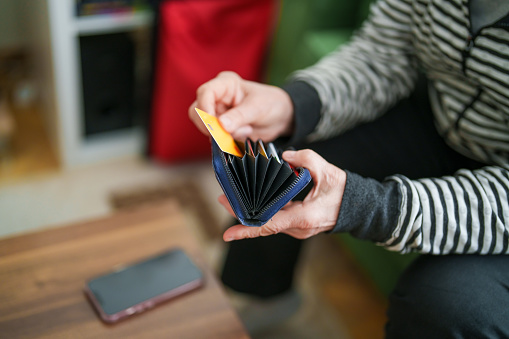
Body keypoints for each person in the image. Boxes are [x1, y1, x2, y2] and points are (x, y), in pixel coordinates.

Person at [189, 0, 509, 337]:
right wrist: (292, 105)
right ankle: (264, 296)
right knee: (278, 166)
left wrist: (365, 205)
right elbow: (384, 51)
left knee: (448, 307)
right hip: (442, 119)